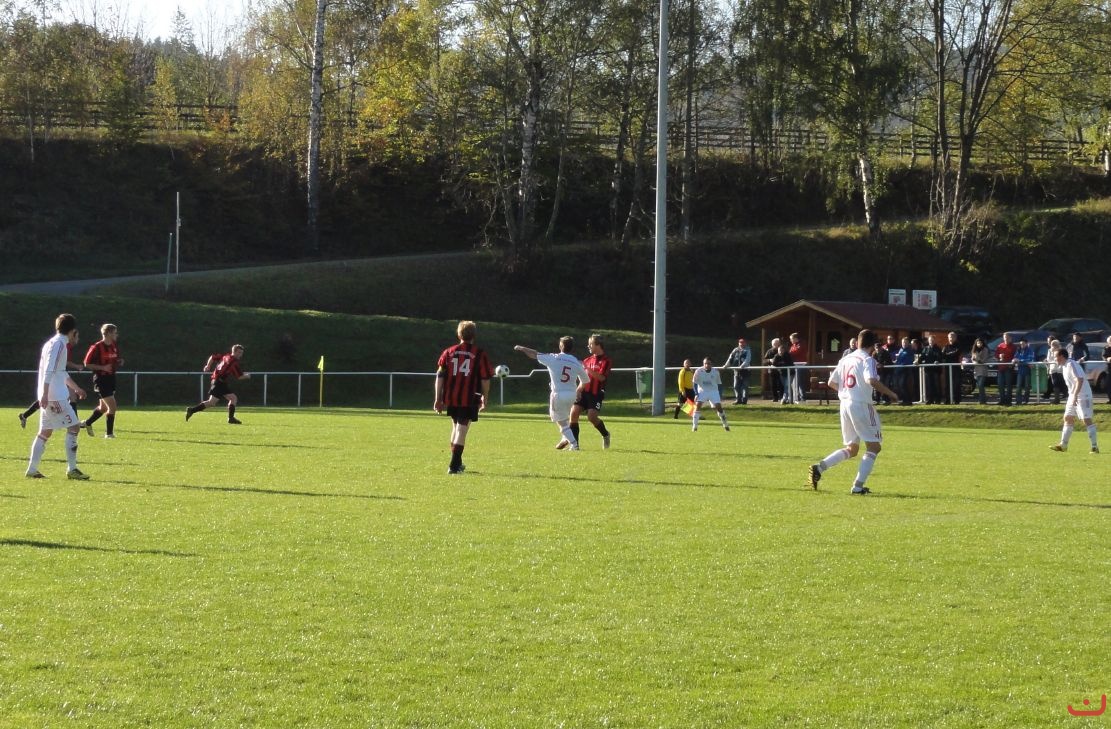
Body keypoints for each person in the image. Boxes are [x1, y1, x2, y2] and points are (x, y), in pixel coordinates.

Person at [807, 329, 899, 495]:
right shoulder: (868, 360)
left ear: (857, 342)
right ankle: (857, 487)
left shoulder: (846, 359)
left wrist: (847, 393)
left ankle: (819, 468)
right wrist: (891, 394)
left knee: (852, 448)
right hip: (861, 405)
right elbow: (871, 380)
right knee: (874, 447)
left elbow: (831, 382)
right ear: (873, 345)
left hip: (845, 404)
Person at [25, 313, 90, 480]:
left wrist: (76, 388)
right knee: (74, 427)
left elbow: (60, 372)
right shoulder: (59, 345)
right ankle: (72, 469)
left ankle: (32, 470)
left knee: (45, 432)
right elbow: (49, 370)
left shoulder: (51, 343)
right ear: (73, 331)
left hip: (50, 394)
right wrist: (45, 394)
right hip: (55, 396)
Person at [433, 321, 493, 474]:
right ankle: (453, 466)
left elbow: (440, 376)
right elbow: (485, 379)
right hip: (469, 397)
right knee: (462, 428)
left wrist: (438, 398)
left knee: (456, 427)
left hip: (451, 396)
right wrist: (485, 397)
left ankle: (457, 463)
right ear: (474, 336)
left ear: (459, 334)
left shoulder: (448, 352)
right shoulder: (479, 354)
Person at [514, 337, 587, 450]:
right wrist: (578, 391)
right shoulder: (575, 361)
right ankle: (565, 438)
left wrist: (522, 348)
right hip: (572, 395)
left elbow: (535, 354)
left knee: (560, 421)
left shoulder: (554, 358)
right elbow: (585, 380)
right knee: (564, 418)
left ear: (561, 346)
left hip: (558, 394)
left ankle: (574, 444)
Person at [18, 331, 87, 429]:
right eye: (77, 336)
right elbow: (61, 362)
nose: (78, 339)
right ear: (72, 335)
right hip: (56, 376)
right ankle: (73, 422)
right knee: (61, 398)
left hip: (61, 374)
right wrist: (76, 366)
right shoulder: (62, 345)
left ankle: (25, 415)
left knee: (66, 397)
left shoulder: (64, 345)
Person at [1049, 347, 1099, 454]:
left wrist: (1075, 395)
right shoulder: (1064, 366)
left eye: (1055, 356)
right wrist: (1073, 395)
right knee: (1068, 418)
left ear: (1061, 356)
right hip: (1073, 395)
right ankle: (1063, 445)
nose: (1054, 359)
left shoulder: (1071, 364)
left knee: (1086, 420)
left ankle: (1094, 447)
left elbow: (1079, 379)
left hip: (1083, 395)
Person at [186, 344, 251, 425]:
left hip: (220, 382)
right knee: (212, 402)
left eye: (241, 353)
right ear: (234, 352)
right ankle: (192, 410)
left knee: (232, 398)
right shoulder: (233, 362)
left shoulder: (225, 356)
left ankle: (231, 418)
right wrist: (247, 376)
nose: (240, 355)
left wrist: (208, 366)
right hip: (218, 382)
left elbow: (213, 357)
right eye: (239, 352)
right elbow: (239, 377)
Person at [80, 323, 124, 438]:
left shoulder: (114, 346)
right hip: (101, 380)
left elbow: (115, 358)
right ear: (108, 333)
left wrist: (119, 361)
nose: (117, 335)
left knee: (103, 408)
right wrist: (102, 368)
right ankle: (109, 434)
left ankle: (87, 423)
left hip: (111, 378)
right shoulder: (96, 347)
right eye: (115, 333)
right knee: (112, 407)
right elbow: (86, 364)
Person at [570, 334, 613, 449]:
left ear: (598, 345)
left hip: (596, 393)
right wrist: (578, 390)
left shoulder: (606, 361)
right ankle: (575, 445)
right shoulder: (587, 360)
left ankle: (605, 434)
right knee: (573, 413)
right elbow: (583, 379)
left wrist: (587, 368)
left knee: (592, 417)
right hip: (584, 392)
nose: (588, 346)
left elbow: (601, 378)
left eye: (591, 344)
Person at [691, 357, 730, 432]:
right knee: (698, 405)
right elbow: (694, 383)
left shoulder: (716, 372)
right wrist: (696, 393)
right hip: (702, 390)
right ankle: (694, 427)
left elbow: (719, 384)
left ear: (711, 364)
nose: (706, 365)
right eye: (705, 363)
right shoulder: (698, 371)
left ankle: (725, 425)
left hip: (713, 391)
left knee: (718, 407)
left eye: (708, 363)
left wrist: (720, 395)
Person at [722, 338, 751, 404]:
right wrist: (726, 365)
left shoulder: (747, 350)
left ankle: (744, 401)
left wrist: (742, 366)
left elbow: (748, 359)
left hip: (745, 371)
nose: (741, 344)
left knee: (745, 386)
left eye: (743, 342)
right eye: (740, 342)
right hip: (736, 371)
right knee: (736, 386)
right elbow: (730, 358)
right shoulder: (735, 350)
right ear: (738, 343)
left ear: (745, 343)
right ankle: (738, 400)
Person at [918, 333, 943, 404]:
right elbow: (922, 357)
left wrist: (937, 361)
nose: (931, 341)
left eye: (932, 340)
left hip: (936, 370)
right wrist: (917, 361)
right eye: (930, 340)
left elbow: (939, 357)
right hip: (928, 369)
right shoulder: (925, 348)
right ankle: (930, 399)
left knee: (937, 385)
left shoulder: (938, 348)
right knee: (929, 385)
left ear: (935, 341)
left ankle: (938, 400)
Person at [941, 331, 963, 404]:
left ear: (955, 338)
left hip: (956, 367)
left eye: (952, 337)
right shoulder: (946, 346)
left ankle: (957, 400)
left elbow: (956, 353)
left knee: (956, 383)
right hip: (947, 367)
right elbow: (942, 355)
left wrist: (948, 354)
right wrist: (948, 354)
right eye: (949, 337)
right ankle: (948, 400)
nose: (950, 338)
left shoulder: (958, 346)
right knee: (947, 384)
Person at [995, 332, 1016, 406]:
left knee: (1008, 385)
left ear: (1010, 338)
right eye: (1004, 337)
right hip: (1000, 368)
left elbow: (1015, 356)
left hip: (1008, 368)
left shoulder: (1013, 347)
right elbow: (996, 355)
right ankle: (1002, 400)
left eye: (1007, 337)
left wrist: (1012, 363)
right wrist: (999, 355)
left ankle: (1008, 401)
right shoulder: (1000, 345)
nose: (1005, 339)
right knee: (1000, 384)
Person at [1013, 338, 1035, 405]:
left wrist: (1020, 361)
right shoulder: (1019, 350)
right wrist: (1013, 360)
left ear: (1026, 343)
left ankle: (1026, 400)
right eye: (1020, 344)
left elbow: (1029, 360)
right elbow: (1015, 358)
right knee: (1018, 386)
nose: (1021, 345)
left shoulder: (1030, 350)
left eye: (1023, 344)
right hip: (1020, 371)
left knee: (1027, 387)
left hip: (1027, 371)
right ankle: (1018, 401)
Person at [893, 336, 914, 405]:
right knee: (900, 385)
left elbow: (909, 360)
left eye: (905, 342)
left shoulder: (910, 351)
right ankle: (904, 400)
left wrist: (901, 365)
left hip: (905, 370)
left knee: (903, 385)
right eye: (903, 342)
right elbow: (898, 360)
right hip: (899, 370)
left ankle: (908, 400)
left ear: (908, 343)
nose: (904, 344)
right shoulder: (901, 350)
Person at [970, 337, 990, 405]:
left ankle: (982, 400)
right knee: (979, 385)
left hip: (983, 370)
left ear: (983, 343)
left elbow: (983, 360)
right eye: (978, 343)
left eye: (980, 343)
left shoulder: (985, 350)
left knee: (981, 384)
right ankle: (983, 400)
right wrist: (974, 360)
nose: (979, 344)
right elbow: (972, 359)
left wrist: (977, 359)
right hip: (976, 370)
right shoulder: (974, 350)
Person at [763, 337, 782, 402]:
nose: (775, 345)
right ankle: (775, 398)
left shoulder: (782, 350)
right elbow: (764, 361)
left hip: (781, 370)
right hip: (772, 370)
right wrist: (769, 360)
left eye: (777, 344)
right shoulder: (769, 351)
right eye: (774, 344)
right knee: (773, 385)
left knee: (781, 384)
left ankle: (782, 397)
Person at [1104, 335, 1111, 404]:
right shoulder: (1106, 348)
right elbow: (1103, 356)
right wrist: (1107, 358)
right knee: (1108, 384)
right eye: (1109, 341)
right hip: (1109, 369)